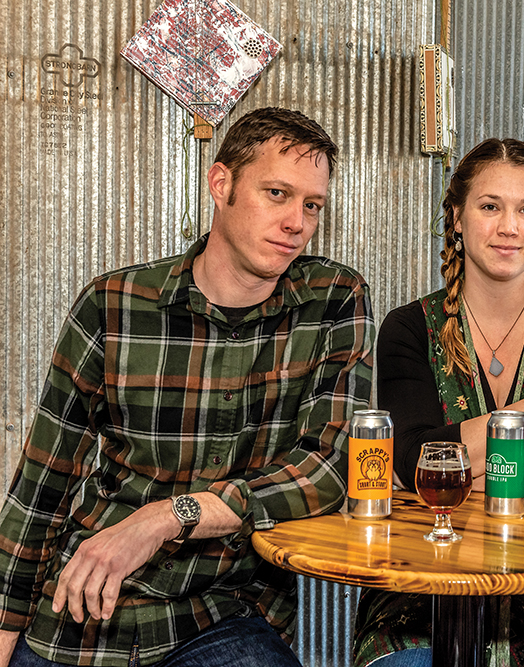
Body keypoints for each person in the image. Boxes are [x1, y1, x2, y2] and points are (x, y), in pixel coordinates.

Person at [0, 107, 375, 666]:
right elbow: (42, 483)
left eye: (312, 205)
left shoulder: (334, 300)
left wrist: (166, 517)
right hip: (86, 606)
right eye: (277, 193)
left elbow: (331, 468)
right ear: (220, 183)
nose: (297, 221)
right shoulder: (114, 305)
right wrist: (5, 626)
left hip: (223, 613)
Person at [352, 138, 524, 666]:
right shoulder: (409, 328)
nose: (509, 227)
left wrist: (455, 465)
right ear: (456, 217)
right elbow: (413, 463)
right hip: (421, 593)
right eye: (489, 206)